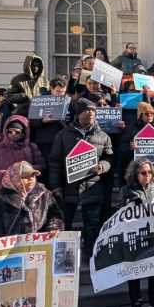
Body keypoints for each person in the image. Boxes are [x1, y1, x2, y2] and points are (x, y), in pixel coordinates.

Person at [48, 99, 113, 255]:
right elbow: (54, 163)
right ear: (78, 114)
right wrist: (56, 186)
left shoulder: (103, 136)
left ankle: (91, 257)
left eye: (93, 111)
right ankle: (65, 258)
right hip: (68, 189)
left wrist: (102, 166)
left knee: (92, 227)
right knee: (65, 226)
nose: (91, 113)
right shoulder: (63, 135)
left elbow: (110, 158)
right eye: (87, 110)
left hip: (92, 188)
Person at [121, 159, 154, 307]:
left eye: (150, 172)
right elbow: (118, 214)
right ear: (135, 174)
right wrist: (129, 204)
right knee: (134, 271)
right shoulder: (126, 190)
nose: (147, 175)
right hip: (135, 237)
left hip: (153, 235)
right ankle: (136, 303)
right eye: (143, 173)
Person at [0, 161, 64, 238]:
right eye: (25, 177)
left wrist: (54, 227)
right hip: (9, 249)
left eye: (33, 176)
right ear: (15, 178)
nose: (31, 179)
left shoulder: (45, 195)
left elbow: (55, 216)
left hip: (38, 246)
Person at [0, 115, 44, 191]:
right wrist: (5, 174)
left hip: (28, 188)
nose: (13, 134)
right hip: (5, 189)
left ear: (24, 133)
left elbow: (41, 166)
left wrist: (27, 171)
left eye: (17, 132)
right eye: (10, 131)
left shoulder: (32, 147)